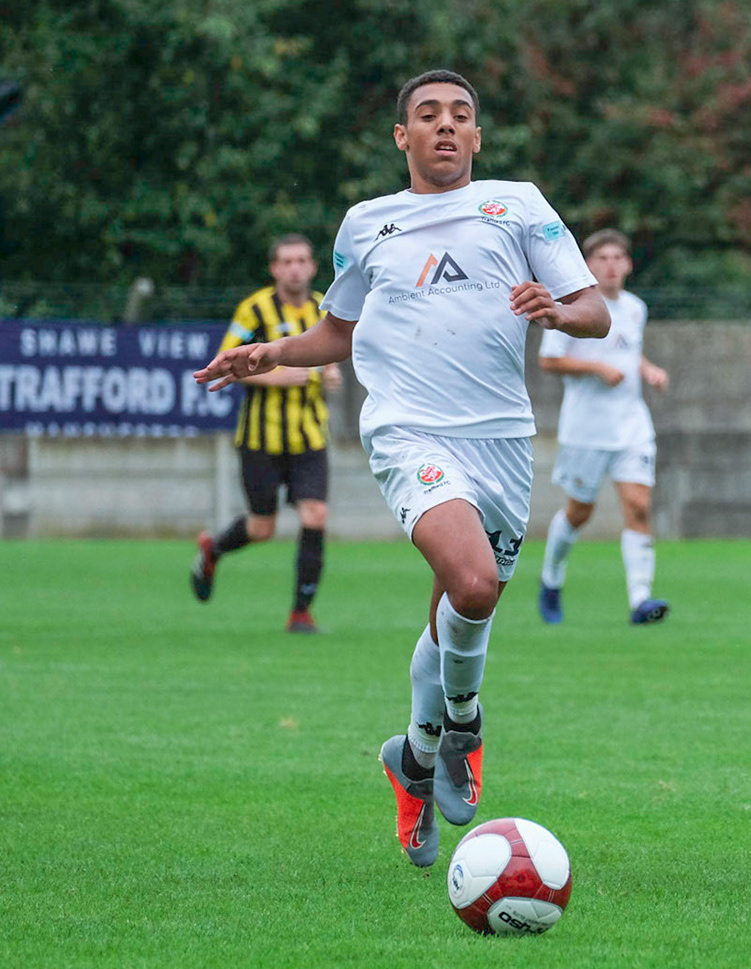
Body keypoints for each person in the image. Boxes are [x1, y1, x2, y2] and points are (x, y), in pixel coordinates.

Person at [195, 68, 608, 867]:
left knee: (457, 607)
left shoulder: (517, 205)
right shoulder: (368, 223)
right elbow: (337, 334)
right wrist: (268, 354)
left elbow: (594, 308)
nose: (446, 125)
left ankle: (415, 759)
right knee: (475, 583)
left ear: (478, 137)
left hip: (502, 441)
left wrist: (559, 310)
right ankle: (464, 724)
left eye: (461, 115)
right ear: (402, 136)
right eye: (428, 115)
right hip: (407, 430)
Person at [190, 235, 343, 631]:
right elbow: (226, 364)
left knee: (316, 514)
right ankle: (213, 549)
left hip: (310, 437)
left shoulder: (324, 306)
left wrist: (330, 370)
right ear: (274, 268)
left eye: (303, 260)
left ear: (312, 266)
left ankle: (300, 613)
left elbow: (334, 349)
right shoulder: (254, 309)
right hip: (260, 440)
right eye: (287, 261)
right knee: (263, 527)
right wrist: (281, 376)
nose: (296, 268)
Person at [535, 228, 672, 625]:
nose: (610, 266)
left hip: (632, 424)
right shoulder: (572, 306)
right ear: (588, 265)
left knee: (639, 506)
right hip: (586, 429)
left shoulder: (634, 308)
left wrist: (648, 370)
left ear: (628, 264)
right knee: (580, 512)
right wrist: (596, 368)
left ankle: (640, 600)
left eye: (617, 258)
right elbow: (549, 361)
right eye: (602, 259)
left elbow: (630, 351)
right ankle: (551, 579)